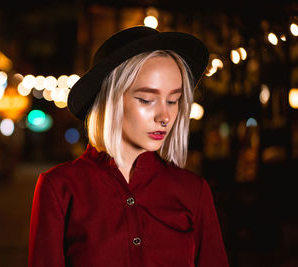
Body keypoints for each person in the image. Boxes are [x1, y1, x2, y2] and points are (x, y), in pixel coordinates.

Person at [28, 26, 229, 267]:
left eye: (173, 100)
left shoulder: (192, 191)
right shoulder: (60, 188)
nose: (164, 116)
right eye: (146, 99)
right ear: (110, 100)